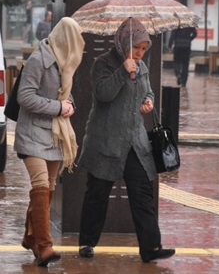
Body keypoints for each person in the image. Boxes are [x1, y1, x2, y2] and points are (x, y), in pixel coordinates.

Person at [77, 17, 175, 263]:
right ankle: (87, 242)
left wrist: (148, 102)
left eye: (144, 49)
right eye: (137, 48)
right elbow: (103, 93)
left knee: (143, 192)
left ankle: (151, 247)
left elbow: (148, 91)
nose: (140, 54)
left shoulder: (141, 67)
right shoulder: (103, 64)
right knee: (97, 194)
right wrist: (123, 71)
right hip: (105, 141)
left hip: (134, 141)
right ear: (123, 43)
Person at [14, 17, 85, 267]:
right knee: (41, 184)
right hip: (32, 134)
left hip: (53, 134)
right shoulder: (38, 60)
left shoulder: (64, 62)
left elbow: (64, 93)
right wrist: (57, 107)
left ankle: (30, 236)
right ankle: (45, 245)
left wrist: (69, 105)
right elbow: (25, 96)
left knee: (49, 188)